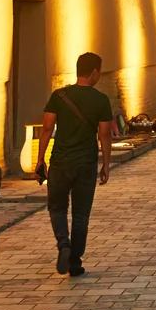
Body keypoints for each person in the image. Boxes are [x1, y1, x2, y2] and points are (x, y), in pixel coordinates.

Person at [34, 51, 113, 277]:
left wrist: (40, 160)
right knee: (81, 214)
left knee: (57, 208)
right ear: (95, 72)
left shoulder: (58, 96)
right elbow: (105, 134)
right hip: (85, 164)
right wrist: (106, 164)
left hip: (60, 162)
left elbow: (47, 128)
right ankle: (75, 261)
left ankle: (63, 245)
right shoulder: (100, 100)